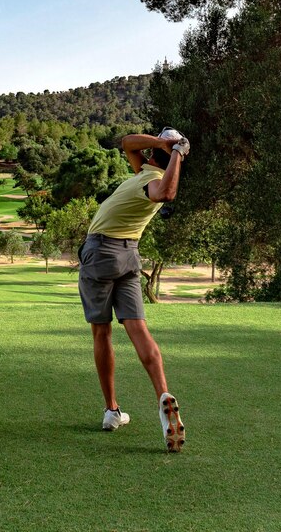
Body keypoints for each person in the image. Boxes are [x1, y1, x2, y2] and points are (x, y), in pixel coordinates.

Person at [77, 128, 189, 452]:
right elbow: (128, 143)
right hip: (128, 255)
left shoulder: (150, 179)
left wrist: (172, 150)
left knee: (102, 332)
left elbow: (165, 194)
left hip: (102, 252)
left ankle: (112, 410)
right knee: (138, 328)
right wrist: (171, 148)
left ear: (157, 154)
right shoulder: (145, 171)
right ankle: (163, 396)